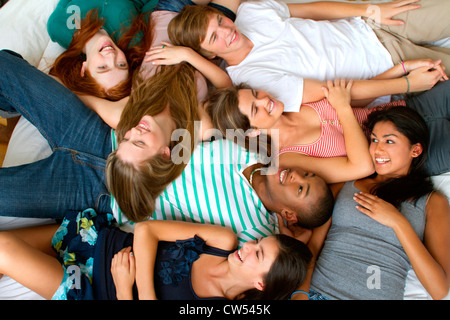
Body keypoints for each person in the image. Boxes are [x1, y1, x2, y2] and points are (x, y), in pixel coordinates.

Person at [0, 49, 200, 222]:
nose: (135, 131)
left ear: (165, 154)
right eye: (133, 139)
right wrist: (56, 90)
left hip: (96, 190)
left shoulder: (194, 133)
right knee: (4, 63)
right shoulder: (138, 106)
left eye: (135, 140)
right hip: (94, 135)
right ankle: (7, 104)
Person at [168, 0, 449, 112]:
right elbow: (335, 93)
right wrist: (409, 84)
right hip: (390, 64)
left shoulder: (249, 12)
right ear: (207, 53)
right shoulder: (250, 81)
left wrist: (371, 10)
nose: (226, 30)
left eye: (219, 20)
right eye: (214, 37)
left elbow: (312, 10)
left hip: (372, 26)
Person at [291, 106, 450, 300]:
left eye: (389, 141)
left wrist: (398, 223)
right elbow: (314, 247)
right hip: (320, 293)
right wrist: (300, 293)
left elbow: (439, 289)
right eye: (374, 139)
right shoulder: (346, 183)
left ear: (415, 150)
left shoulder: (432, 202)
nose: (377, 149)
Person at [0, 213, 313, 300]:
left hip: (89, 291)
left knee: (4, 249)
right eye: (257, 241)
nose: (247, 246)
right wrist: (145, 292)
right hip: (94, 240)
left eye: (258, 252)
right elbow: (147, 229)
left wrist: (126, 287)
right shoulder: (222, 240)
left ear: (261, 284)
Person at [47, 0, 158, 101]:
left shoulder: (59, 28)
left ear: (84, 69)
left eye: (102, 67)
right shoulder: (134, 40)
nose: (111, 56)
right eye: (121, 64)